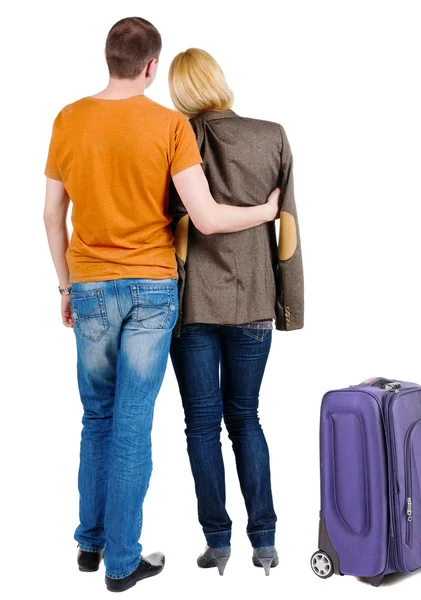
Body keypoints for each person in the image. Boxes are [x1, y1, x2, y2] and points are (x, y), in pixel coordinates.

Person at [43, 19, 280, 593]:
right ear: (152, 67)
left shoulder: (68, 119)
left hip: (91, 287)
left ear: (109, 58)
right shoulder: (169, 124)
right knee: (130, 423)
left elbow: (53, 215)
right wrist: (267, 212)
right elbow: (206, 218)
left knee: (95, 416)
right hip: (151, 290)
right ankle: (123, 562)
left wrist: (65, 286)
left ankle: (89, 543)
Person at [168, 48, 304, 577]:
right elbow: (288, 226)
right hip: (253, 298)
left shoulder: (177, 137)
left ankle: (217, 542)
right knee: (245, 417)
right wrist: (288, 304)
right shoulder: (271, 134)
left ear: (179, 92)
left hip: (193, 302)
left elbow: (167, 220)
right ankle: (264, 542)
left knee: (201, 425)